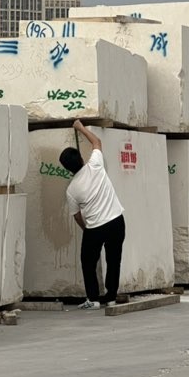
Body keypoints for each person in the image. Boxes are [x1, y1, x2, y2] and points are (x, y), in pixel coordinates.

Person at [59, 119, 126, 310]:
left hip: (95, 227)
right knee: (114, 260)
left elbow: (77, 216)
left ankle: (93, 299)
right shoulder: (95, 165)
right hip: (116, 221)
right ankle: (111, 298)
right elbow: (97, 142)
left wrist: (87, 229)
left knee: (88, 262)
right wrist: (80, 127)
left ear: (67, 169)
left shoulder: (72, 189)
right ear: (81, 159)